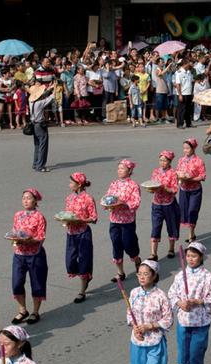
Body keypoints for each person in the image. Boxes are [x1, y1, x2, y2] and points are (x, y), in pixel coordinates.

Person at [168, 242, 211, 364]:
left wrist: (199, 301)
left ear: (201, 257)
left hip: (201, 321)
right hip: (184, 320)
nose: (190, 259)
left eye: (194, 256)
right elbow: (171, 293)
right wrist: (179, 303)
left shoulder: (207, 276)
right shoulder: (179, 275)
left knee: (196, 352)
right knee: (185, 353)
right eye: (188, 256)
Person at [127, 259, 173, 364]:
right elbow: (130, 313)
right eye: (139, 273)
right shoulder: (134, 293)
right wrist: (134, 327)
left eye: (146, 274)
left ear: (154, 276)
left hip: (155, 343)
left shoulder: (161, 296)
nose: (141, 277)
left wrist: (150, 326)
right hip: (137, 342)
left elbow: (168, 319)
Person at [10, 188, 47, 325]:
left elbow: (41, 237)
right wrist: (15, 241)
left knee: (37, 283)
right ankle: (22, 310)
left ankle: (35, 312)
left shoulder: (39, 216)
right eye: (23, 197)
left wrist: (28, 241)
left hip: (35, 255)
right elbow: (14, 232)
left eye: (29, 198)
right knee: (17, 283)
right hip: (19, 255)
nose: (25, 200)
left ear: (35, 201)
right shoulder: (18, 214)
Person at [104, 159, 142, 283]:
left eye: (122, 168)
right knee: (116, 244)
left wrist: (123, 203)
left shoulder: (133, 185)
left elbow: (136, 202)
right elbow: (108, 197)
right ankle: (120, 273)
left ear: (129, 171)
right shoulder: (114, 183)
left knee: (129, 244)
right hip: (114, 220)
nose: (119, 170)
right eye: (118, 168)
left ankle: (136, 259)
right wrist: (106, 204)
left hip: (127, 221)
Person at [63, 172, 97, 304]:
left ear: (79, 185)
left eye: (71, 183)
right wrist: (65, 220)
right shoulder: (69, 198)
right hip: (71, 234)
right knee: (70, 262)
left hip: (83, 233)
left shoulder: (88, 198)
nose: (69, 185)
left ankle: (82, 290)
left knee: (84, 260)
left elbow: (93, 218)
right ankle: (86, 275)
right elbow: (67, 214)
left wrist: (80, 220)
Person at [148, 150, 180, 261]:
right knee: (155, 227)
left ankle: (171, 249)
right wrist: (152, 189)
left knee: (171, 227)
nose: (162, 162)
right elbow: (152, 185)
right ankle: (153, 253)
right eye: (160, 160)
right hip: (156, 204)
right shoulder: (156, 171)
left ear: (170, 161)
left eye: (164, 160)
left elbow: (175, 190)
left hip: (169, 204)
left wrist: (164, 188)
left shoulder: (173, 173)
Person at [176, 138, 206, 243]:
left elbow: (202, 176)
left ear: (193, 148)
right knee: (184, 212)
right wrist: (179, 177)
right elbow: (177, 172)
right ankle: (190, 232)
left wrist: (190, 178)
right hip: (184, 190)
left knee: (192, 211)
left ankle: (191, 234)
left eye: (187, 148)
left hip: (195, 190)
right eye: (184, 148)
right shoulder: (181, 160)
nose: (185, 150)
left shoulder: (199, 161)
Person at [28, 84, 55, 173]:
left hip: (33, 124)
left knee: (37, 145)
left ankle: (35, 163)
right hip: (40, 125)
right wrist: (54, 90)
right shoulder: (40, 103)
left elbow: (41, 96)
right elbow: (51, 98)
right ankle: (40, 166)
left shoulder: (31, 101)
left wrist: (49, 89)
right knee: (43, 145)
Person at [175, 59, 195, 129]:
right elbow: (178, 84)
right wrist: (180, 94)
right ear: (184, 64)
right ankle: (179, 124)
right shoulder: (179, 72)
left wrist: (192, 93)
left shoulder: (189, 72)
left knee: (188, 109)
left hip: (189, 93)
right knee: (181, 110)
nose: (189, 65)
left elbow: (191, 83)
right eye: (188, 64)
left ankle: (188, 123)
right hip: (182, 93)